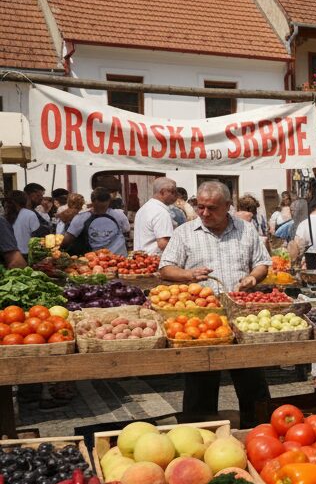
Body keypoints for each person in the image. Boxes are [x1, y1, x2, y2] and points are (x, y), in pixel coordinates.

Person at [158, 181, 271, 424]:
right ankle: (200, 433)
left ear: (228, 206)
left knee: (251, 380)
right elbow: (165, 268)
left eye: (212, 208)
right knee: (201, 382)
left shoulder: (246, 229)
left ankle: (259, 430)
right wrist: (188, 275)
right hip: (200, 323)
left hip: (242, 318)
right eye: (201, 207)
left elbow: (263, 262)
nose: (205, 213)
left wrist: (253, 276)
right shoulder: (184, 233)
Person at [63, 188, 130, 255]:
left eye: (104, 207)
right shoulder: (81, 218)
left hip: (119, 259)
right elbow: (68, 238)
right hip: (96, 260)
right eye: (99, 208)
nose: (101, 212)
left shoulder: (118, 215)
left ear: (109, 202)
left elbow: (126, 230)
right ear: (93, 202)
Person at [134, 177, 178, 255]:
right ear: (163, 192)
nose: (176, 196)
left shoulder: (144, 208)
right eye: (173, 192)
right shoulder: (161, 212)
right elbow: (163, 244)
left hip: (141, 259)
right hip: (154, 261)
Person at [6, 191, 41, 257]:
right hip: (27, 254)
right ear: (25, 201)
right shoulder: (30, 214)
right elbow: (36, 237)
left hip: (9, 255)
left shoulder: (5, 216)